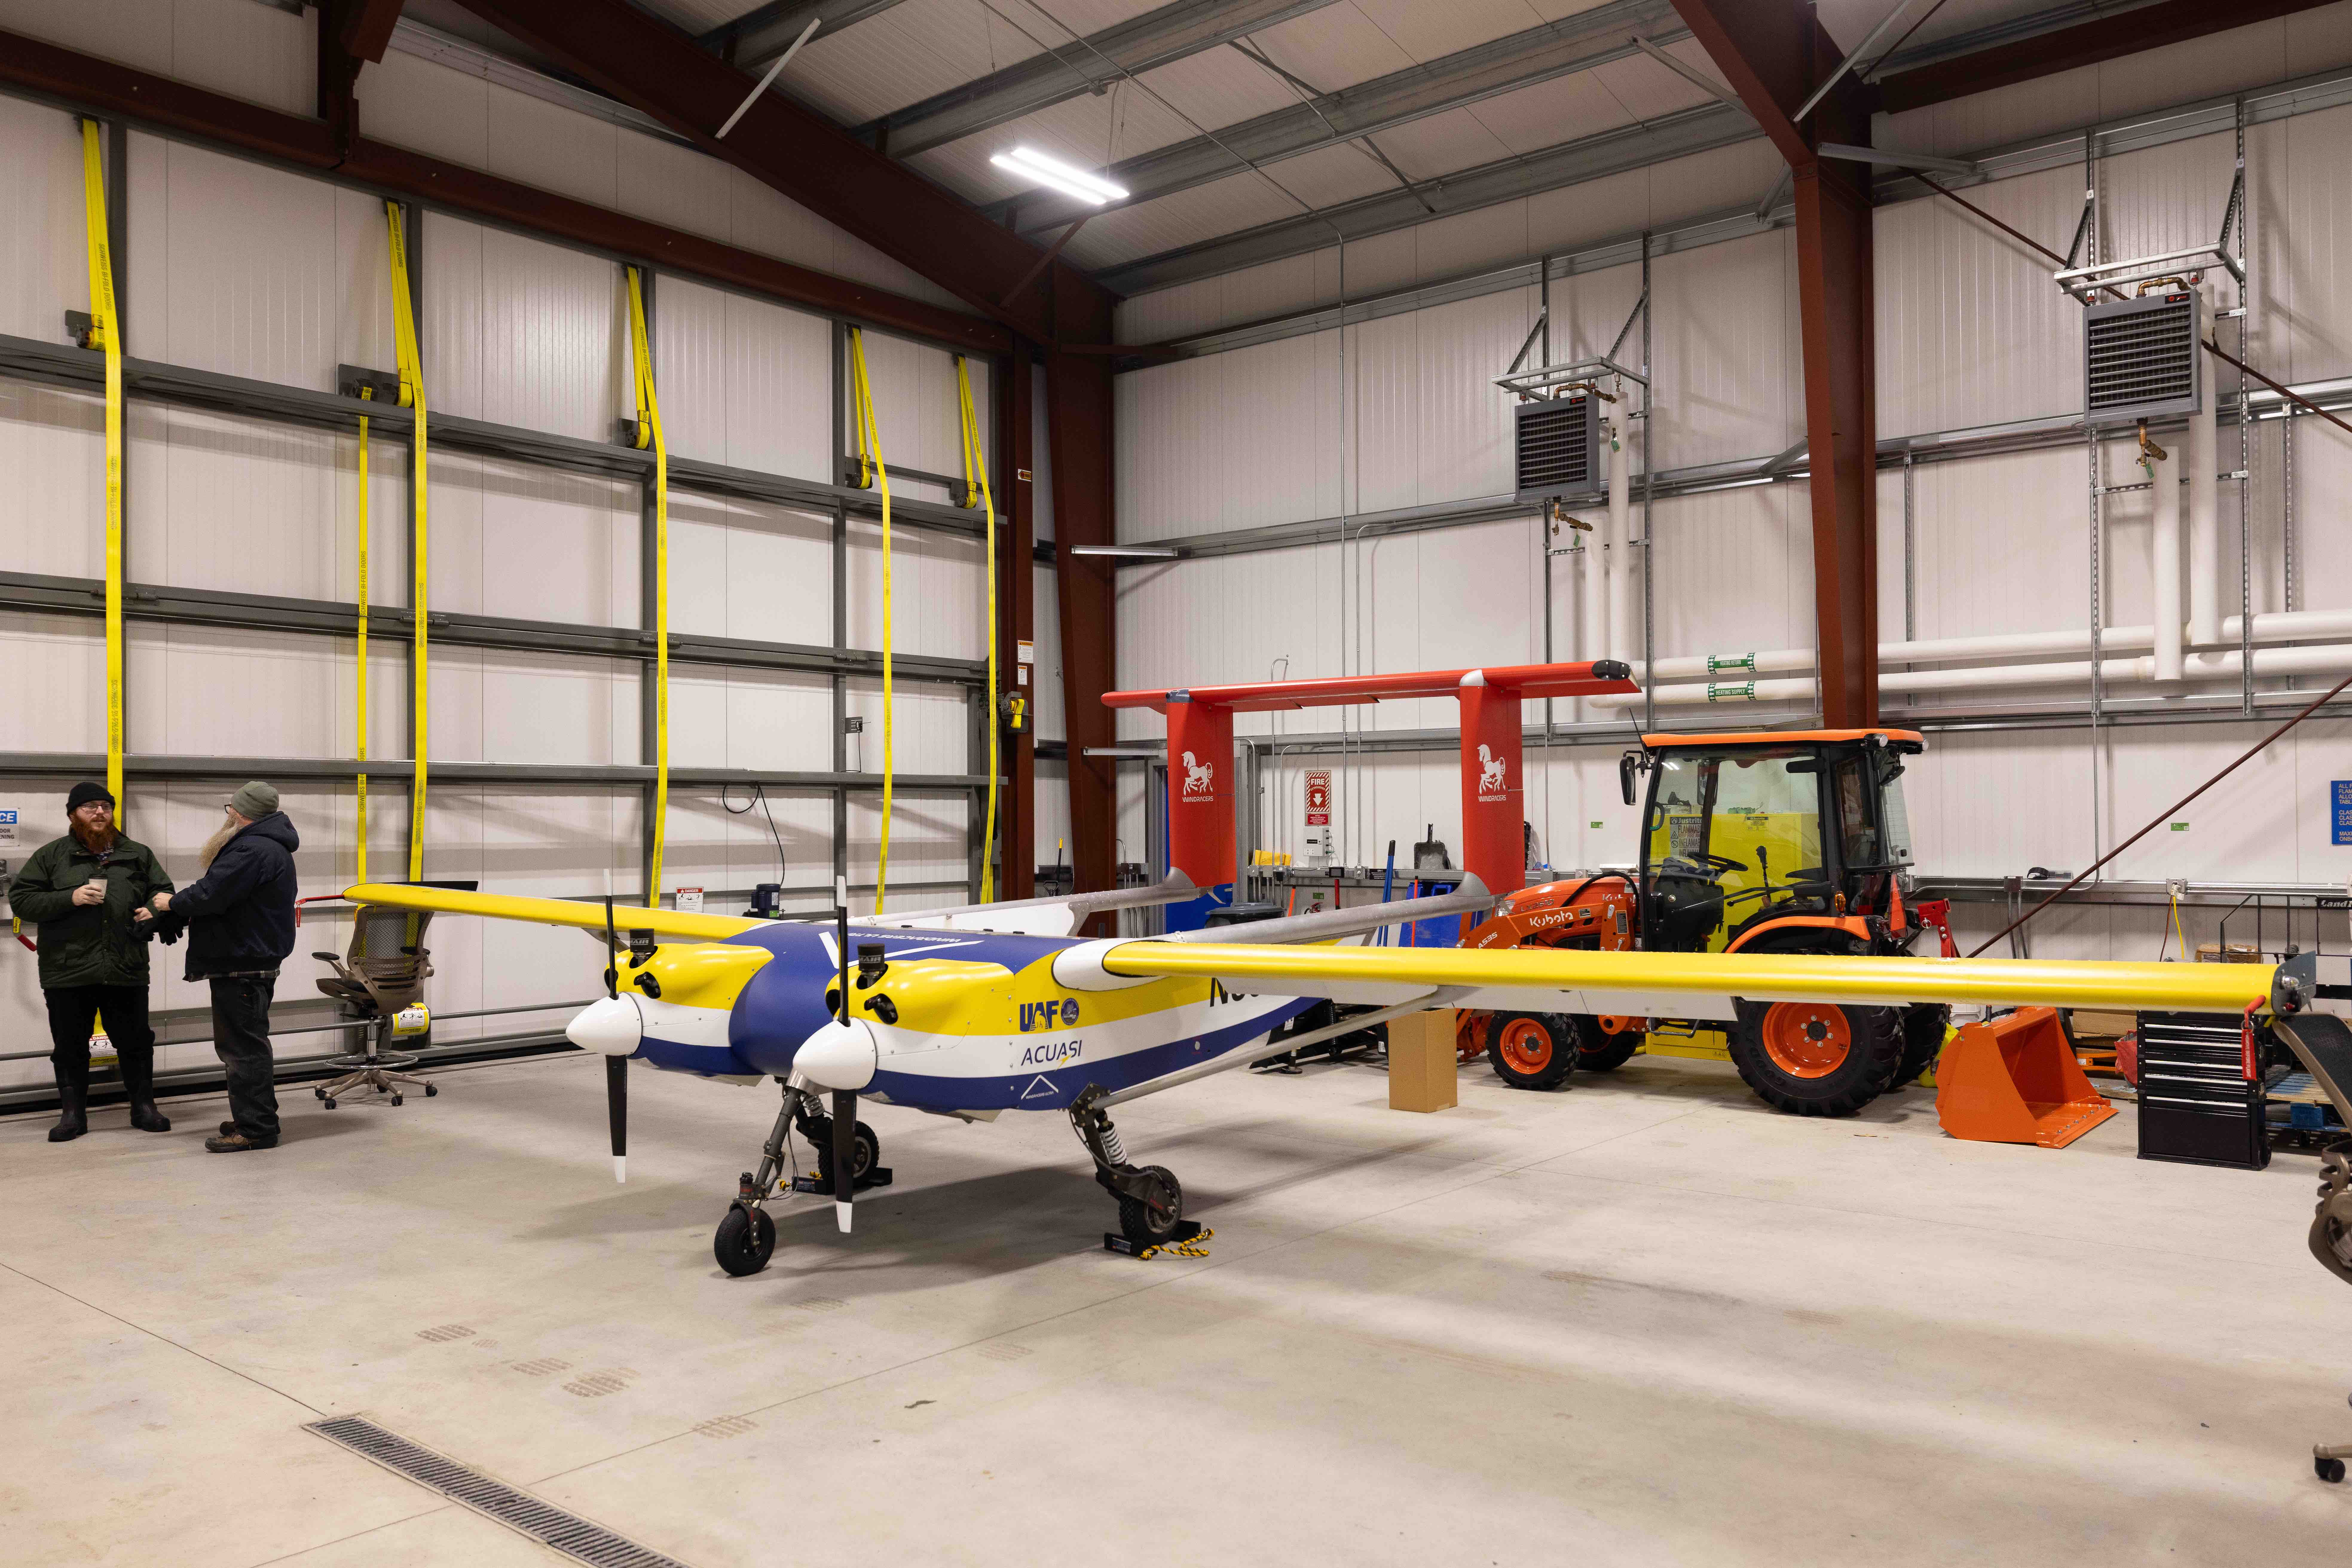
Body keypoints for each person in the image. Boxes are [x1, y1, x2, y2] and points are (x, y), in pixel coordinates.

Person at [5, 782, 177, 1141]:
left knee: (135, 1041)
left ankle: (144, 1108)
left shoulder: (138, 854)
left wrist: (156, 910)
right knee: (69, 1045)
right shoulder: (51, 856)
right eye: (90, 807)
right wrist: (70, 897)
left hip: (125, 965)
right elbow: (23, 901)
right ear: (73, 815)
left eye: (105, 806)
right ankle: (72, 1116)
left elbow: (164, 892)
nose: (100, 813)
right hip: (68, 969)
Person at [152, 782, 299, 1153]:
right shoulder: (268, 845)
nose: (228, 814)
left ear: (239, 812)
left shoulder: (253, 848)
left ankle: (256, 1129)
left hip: (242, 963)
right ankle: (254, 1117)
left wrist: (171, 904)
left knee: (243, 1050)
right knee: (246, 1045)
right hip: (250, 960)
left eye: (229, 808)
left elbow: (212, 893)